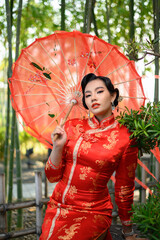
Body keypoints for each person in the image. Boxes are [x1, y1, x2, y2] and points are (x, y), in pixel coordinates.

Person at [40, 73, 148, 240]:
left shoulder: (125, 137)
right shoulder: (70, 126)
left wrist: (128, 230)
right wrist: (57, 147)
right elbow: (52, 177)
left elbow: (124, 187)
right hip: (57, 208)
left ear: (113, 95)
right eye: (88, 95)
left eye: (99, 92)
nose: (93, 98)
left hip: (92, 210)